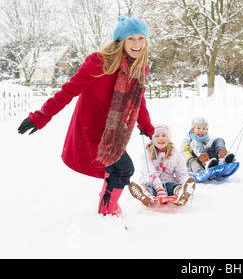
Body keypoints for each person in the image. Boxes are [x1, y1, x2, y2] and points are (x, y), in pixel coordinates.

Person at [17, 15, 155, 216]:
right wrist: (40, 117)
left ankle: (106, 201)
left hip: (113, 130)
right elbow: (69, 90)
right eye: (131, 39)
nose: (137, 44)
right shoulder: (99, 62)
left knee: (118, 168)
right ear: (121, 41)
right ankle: (106, 210)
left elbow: (138, 100)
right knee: (124, 168)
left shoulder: (138, 66)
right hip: (91, 127)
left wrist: (147, 127)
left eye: (141, 38)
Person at [129, 124, 196, 206]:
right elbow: (150, 172)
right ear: (152, 139)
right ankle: (145, 195)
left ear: (168, 138)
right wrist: (159, 188)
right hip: (151, 183)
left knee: (174, 186)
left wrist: (184, 183)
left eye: (164, 135)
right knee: (149, 188)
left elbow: (181, 173)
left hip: (168, 183)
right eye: (157, 136)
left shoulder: (175, 154)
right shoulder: (146, 155)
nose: (160, 138)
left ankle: (182, 191)